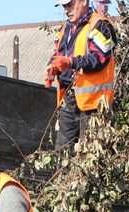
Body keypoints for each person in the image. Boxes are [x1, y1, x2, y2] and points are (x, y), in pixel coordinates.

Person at [46, 0, 116, 151]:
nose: (66, 10)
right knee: (62, 151)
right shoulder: (65, 29)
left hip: (94, 105)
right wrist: (52, 68)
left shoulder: (100, 25)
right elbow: (58, 55)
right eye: (64, 6)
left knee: (90, 153)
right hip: (69, 99)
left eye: (70, 4)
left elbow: (99, 58)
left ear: (83, 1)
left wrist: (70, 62)